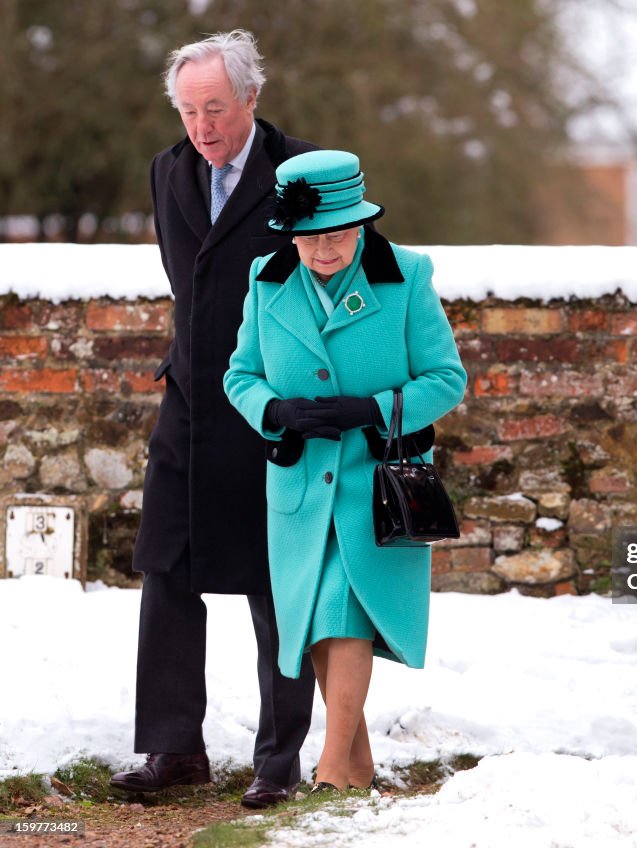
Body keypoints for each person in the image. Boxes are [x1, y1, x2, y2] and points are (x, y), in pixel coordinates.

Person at [110, 31, 319, 809]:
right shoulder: (169, 171)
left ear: (252, 99)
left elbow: (344, 278)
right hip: (188, 406)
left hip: (271, 412)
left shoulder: (303, 173)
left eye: (216, 109)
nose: (202, 126)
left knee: (277, 584)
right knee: (164, 568)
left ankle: (278, 760)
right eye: (190, 110)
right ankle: (173, 747)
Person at [223, 149, 467, 793]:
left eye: (335, 236)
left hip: (379, 484)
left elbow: (447, 379)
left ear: (359, 225)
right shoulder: (265, 279)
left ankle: (330, 773)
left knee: (343, 613)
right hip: (300, 485)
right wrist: (275, 410)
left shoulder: (405, 276)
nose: (322, 251)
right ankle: (356, 764)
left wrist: (373, 408)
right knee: (313, 625)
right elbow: (239, 375)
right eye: (308, 238)